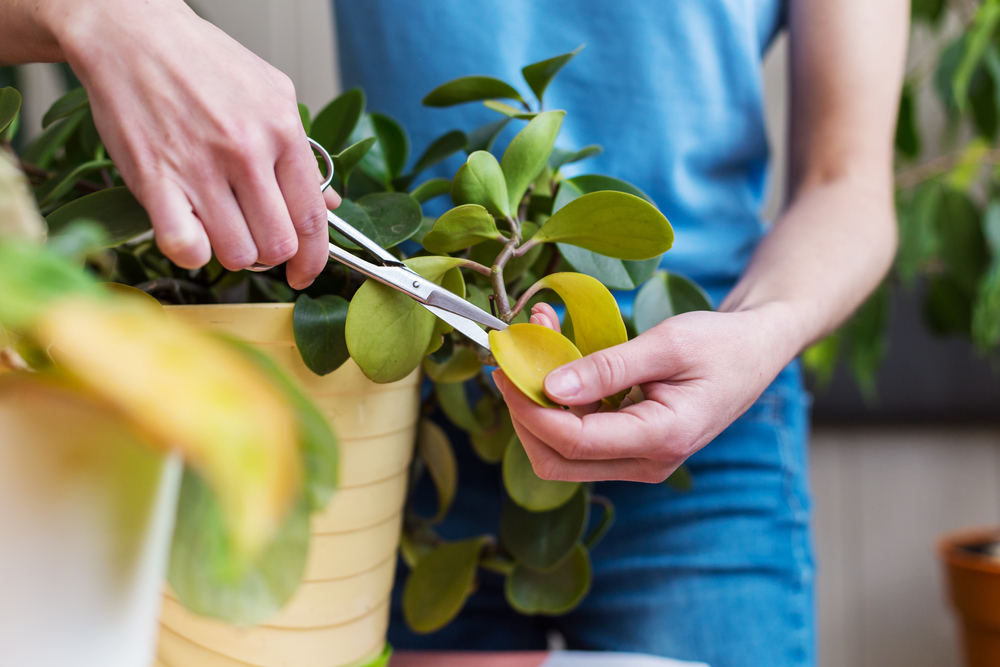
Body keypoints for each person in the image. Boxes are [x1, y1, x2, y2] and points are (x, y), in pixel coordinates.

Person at [2, 0, 908, 665]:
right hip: (398, 442)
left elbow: (848, 182)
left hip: (705, 439)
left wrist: (762, 330)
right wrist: (108, 19)